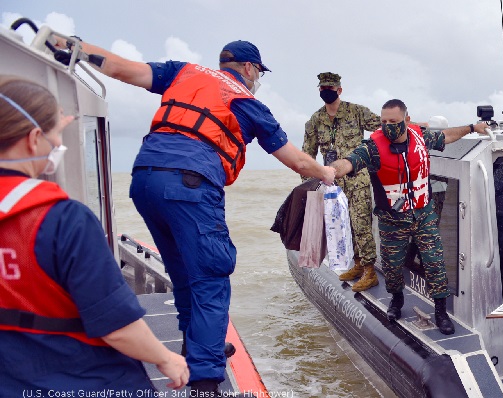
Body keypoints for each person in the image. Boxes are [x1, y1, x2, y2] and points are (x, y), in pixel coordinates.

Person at [52, 37, 335, 393]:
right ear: (249, 68)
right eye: (259, 71)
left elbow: (125, 69)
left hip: (144, 178)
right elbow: (295, 160)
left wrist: (75, 46)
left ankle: (201, 348)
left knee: (185, 272)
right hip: (189, 185)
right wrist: (326, 173)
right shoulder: (246, 101)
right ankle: (204, 382)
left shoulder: (182, 72)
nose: (257, 78)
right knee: (211, 277)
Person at [0, 76, 189, 393]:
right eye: (56, 135)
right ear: (34, 139)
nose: (57, 145)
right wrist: (167, 358)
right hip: (85, 379)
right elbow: (116, 326)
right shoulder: (63, 220)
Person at [329, 99, 489, 335]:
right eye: (384, 122)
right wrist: (331, 171)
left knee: (435, 263)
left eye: (393, 122)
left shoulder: (420, 137)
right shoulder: (373, 147)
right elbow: (350, 162)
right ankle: (396, 300)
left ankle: (441, 312)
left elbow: (446, 136)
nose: (387, 126)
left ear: (406, 120)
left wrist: (473, 128)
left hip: (424, 216)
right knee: (393, 268)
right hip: (392, 221)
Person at [303, 72, 381, 291]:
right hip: (332, 185)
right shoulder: (315, 120)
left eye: (330, 88)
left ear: (339, 90)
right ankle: (356, 264)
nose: (325, 91)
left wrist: (410, 126)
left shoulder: (356, 112)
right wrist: (309, 184)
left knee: (361, 224)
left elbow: (383, 126)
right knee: (344, 225)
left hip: (357, 179)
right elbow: (307, 155)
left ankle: (369, 271)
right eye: (322, 88)